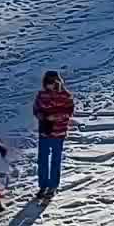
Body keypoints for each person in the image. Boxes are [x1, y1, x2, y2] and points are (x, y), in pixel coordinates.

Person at [33, 71, 75, 200]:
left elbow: (69, 112)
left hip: (59, 132)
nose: (49, 85)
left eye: (51, 82)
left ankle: (53, 186)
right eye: (47, 83)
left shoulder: (66, 96)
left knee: (55, 160)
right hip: (44, 131)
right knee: (42, 160)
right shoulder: (41, 95)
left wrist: (55, 117)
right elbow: (36, 109)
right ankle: (43, 186)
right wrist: (42, 116)